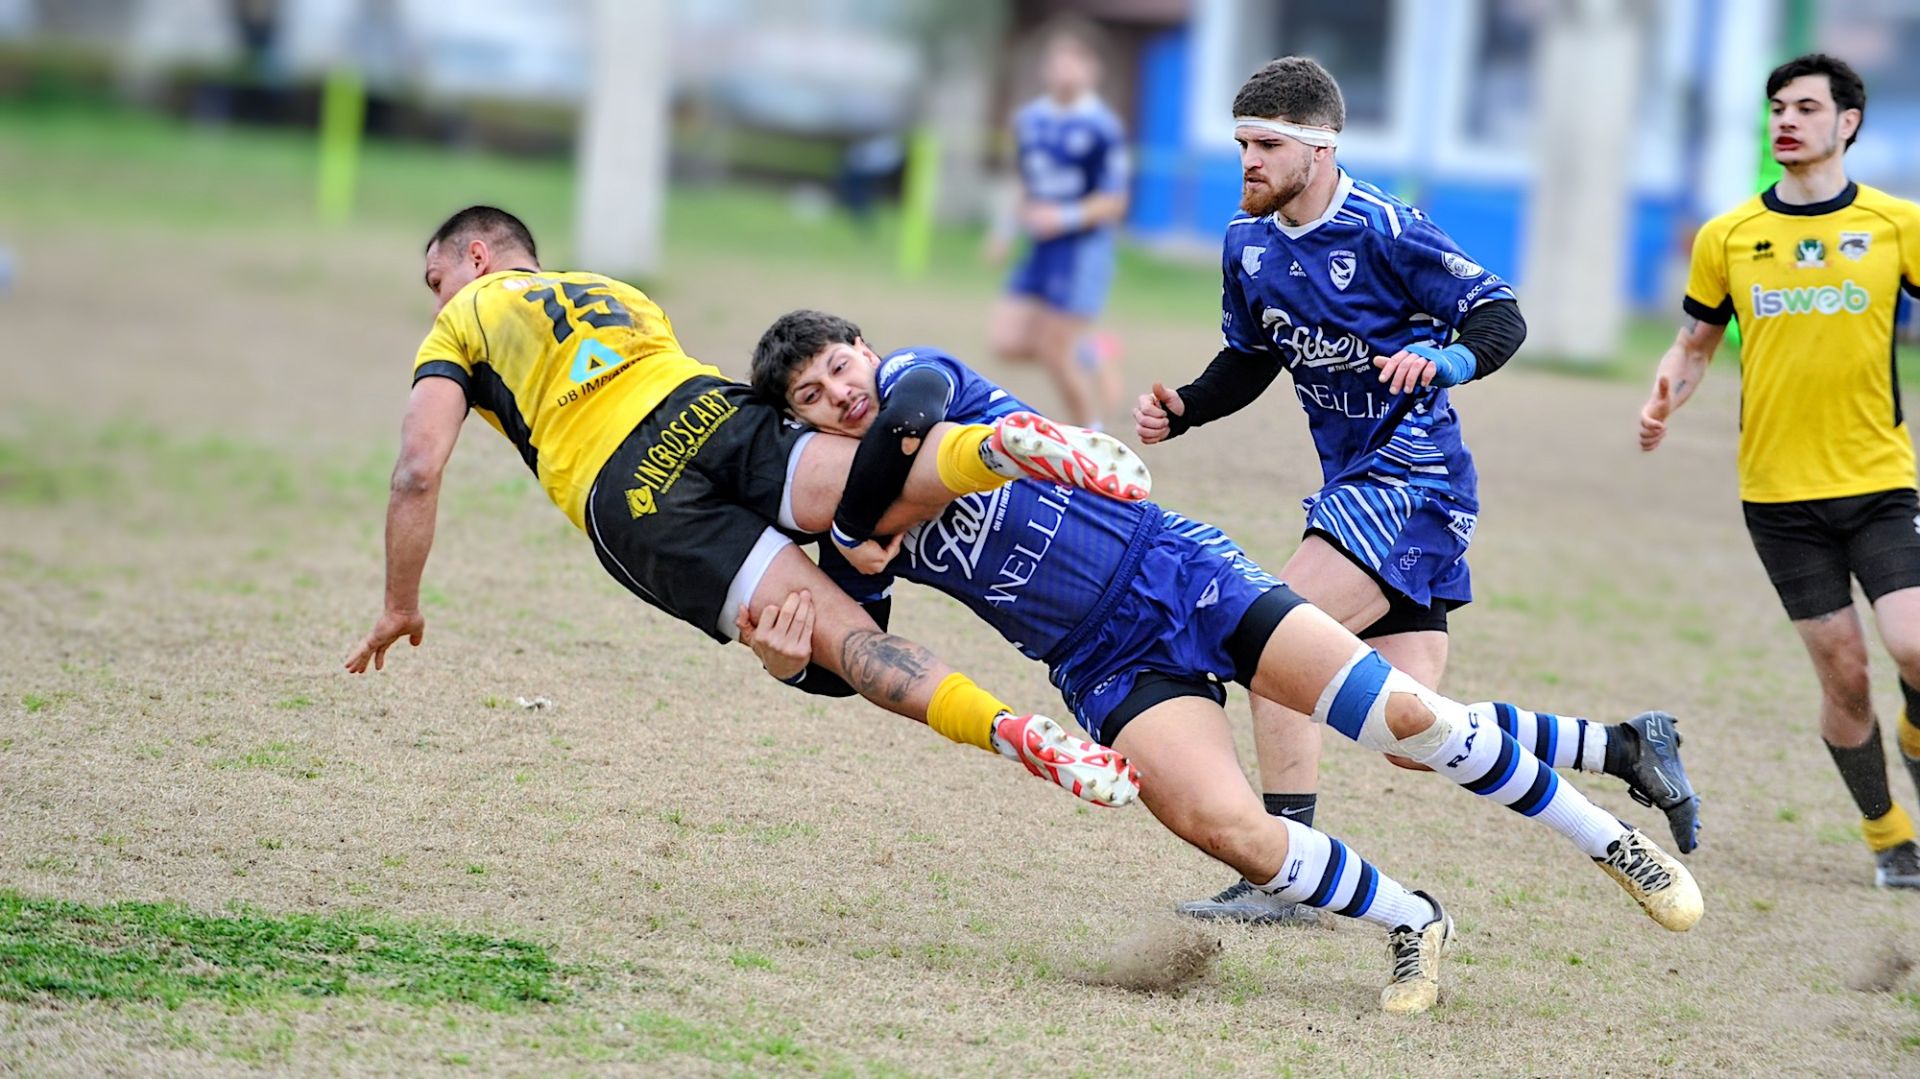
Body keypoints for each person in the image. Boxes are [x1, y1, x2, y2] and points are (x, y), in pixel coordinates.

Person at [746, 310, 1704, 1016]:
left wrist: (870, 524)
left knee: (1404, 719)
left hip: (1178, 571)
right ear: (800, 425)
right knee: (1225, 827)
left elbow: (910, 414)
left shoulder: (919, 378)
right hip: (1101, 659)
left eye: (841, 365)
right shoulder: (842, 525)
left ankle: (1608, 839)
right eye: (813, 397)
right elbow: (863, 653)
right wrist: (792, 663)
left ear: (865, 348)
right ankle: (1414, 919)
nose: (842, 391)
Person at [1132, 57, 1700, 922]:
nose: (1247, 160)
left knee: (1269, 643)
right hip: (1356, 487)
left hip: (1415, 482)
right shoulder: (1246, 245)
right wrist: (1187, 411)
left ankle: (1281, 877)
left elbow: (1499, 315)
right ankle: (1621, 745)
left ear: (1320, 150)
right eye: (1241, 142)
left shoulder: (1388, 230)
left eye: (1266, 144)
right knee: (1413, 730)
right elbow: (1253, 356)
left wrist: (1443, 358)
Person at [342, 205, 1153, 809]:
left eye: (435, 278)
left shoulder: (461, 319)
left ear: (475, 257)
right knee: (887, 477)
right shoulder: (616, 291)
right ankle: (1009, 445)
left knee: (846, 644)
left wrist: (399, 601)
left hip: (631, 491)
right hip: (708, 409)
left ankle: (1013, 732)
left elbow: (418, 467)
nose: (435, 296)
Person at [1639, 53, 1920, 889]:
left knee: (1913, 644)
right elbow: (1694, 343)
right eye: (1777, 108)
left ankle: (1913, 737)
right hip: (1779, 498)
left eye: (1805, 106)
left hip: (1879, 479)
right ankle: (1887, 835)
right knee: (1846, 673)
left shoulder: (1896, 224)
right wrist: (1666, 394)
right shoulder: (1729, 237)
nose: (1787, 120)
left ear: (1848, 123)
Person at [983, 16, 1129, 428]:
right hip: (1039, 248)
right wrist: (1004, 231)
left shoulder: (1102, 129)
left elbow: (1115, 202)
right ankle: (1095, 351)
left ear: (1091, 70)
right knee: (1006, 342)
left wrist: (1063, 217)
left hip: (1081, 251)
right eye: (1056, 59)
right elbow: (1026, 185)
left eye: (1074, 60)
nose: (1063, 69)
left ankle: (1091, 437)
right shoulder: (1031, 121)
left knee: (1052, 350)